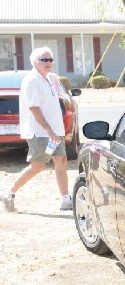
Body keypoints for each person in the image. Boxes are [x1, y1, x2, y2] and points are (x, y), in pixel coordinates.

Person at [1, 47, 72, 212]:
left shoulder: (50, 79)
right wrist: (49, 131)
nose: (48, 63)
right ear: (35, 62)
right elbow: (34, 108)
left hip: (56, 131)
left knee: (61, 161)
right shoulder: (32, 80)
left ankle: (65, 199)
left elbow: (61, 97)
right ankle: (9, 192)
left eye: (50, 60)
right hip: (41, 132)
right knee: (38, 165)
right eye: (44, 60)